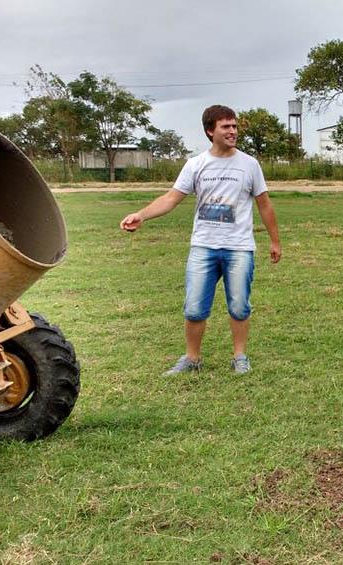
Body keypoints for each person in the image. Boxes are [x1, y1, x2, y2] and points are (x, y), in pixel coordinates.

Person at [119, 105, 282, 376]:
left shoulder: (249, 164)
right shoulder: (196, 165)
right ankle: (192, 359)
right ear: (210, 131)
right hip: (203, 247)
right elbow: (171, 198)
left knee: (240, 305)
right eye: (225, 127)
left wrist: (275, 241)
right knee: (194, 307)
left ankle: (240, 357)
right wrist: (142, 215)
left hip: (239, 247)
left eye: (234, 126)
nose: (232, 131)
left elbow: (264, 205)